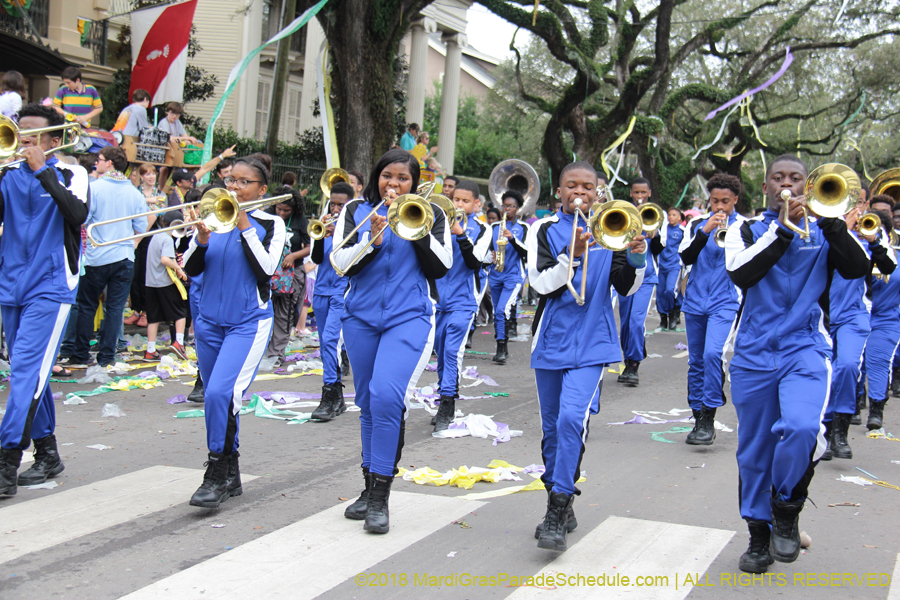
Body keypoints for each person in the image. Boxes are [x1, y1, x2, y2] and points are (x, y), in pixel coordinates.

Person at [724, 154, 870, 573]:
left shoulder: (826, 229)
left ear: (809, 186)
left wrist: (831, 222)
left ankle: (786, 509)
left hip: (805, 348)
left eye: (796, 178)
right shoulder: (746, 228)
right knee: (754, 451)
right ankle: (758, 534)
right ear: (766, 185)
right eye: (777, 178)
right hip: (753, 353)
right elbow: (742, 274)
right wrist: (784, 232)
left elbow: (859, 267)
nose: (786, 184)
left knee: (804, 428)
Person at [527, 161, 647, 551]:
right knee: (551, 431)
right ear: (558, 191)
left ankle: (557, 509)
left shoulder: (610, 227)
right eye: (571, 185)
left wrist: (637, 258)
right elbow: (541, 285)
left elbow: (626, 289)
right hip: (550, 342)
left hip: (593, 342)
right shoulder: (542, 230)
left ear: (598, 192)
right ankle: (559, 492)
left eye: (588, 187)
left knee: (570, 420)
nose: (579, 192)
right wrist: (572, 256)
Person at [333, 149, 451, 533]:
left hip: (410, 318)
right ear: (376, 177)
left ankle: (381, 495)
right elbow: (339, 262)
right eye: (387, 176)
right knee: (368, 402)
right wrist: (373, 238)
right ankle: (368, 487)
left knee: (387, 396)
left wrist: (413, 230)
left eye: (403, 178)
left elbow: (441, 266)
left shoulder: (432, 214)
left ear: (414, 183)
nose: (393, 184)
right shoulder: (355, 211)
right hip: (360, 318)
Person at [183, 153, 285, 508]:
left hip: (247, 322)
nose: (235, 187)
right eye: (231, 180)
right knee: (218, 397)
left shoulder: (270, 223)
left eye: (244, 182)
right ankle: (231, 469)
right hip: (209, 321)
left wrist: (244, 225)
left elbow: (267, 268)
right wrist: (201, 239)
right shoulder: (214, 216)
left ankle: (215, 472)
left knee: (219, 396)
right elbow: (190, 269)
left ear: (261, 189)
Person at [0, 103, 89, 496]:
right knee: (28, 373)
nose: (23, 140)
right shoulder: (6, 174)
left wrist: (42, 170)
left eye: (33, 135)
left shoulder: (73, 172)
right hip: (9, 284)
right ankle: (48, 454)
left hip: (50, 287)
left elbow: (77, 214)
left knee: (25, 374)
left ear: (55, 140)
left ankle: (6, 458)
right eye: (21, 132)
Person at [678, 174, 746, 445]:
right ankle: (698, 417)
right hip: (694, 300)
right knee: (695, 361)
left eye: (726, 202)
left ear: (735, 200)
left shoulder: (744, 227)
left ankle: (709, 416)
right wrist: (704, 231)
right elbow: (685, 257)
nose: (720, 207)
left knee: (712, 354)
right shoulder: (696, 223)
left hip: (726, 301)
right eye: (715, 201)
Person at [67, 147, 148, 368]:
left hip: (97, 256)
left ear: (110, 163)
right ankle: (106, 357)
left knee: (86, 306)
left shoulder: (95, 188)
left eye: (100, 160)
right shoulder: (135, 193)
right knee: (115, 309)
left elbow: (84, 218)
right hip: (124, 256)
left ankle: (81, 355)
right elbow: (141, 226)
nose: (96, 164)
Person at [432, 179, 491, 431]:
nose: (458, 204)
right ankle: (443, 397)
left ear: (476, 204)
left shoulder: (482, 228)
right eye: (456, 199)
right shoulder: (437, 222)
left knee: (452, 352)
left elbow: (474, 262)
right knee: (439, 352)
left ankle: (448, 402)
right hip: (436, 300)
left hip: (463, 300)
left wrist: (460, 233)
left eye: (465, 201)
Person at [309, 182, 352, 421]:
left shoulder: (354, 230)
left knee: (330, 341)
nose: (335, 208)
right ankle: (336, 397)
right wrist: (319, 237)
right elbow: (316, 258)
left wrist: (339, 233)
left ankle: (329, 395)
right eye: (332, 203)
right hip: (321, 290)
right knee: (324, 343)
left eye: (340, 205)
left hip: (341, 291)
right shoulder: (324, 227)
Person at [861, 196, 900, 434]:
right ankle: (852, 407)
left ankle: (876, 410)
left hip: (886, 320)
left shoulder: (895, 255)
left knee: (877, 361)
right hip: (856, 316)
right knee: (853, 365)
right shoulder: (855, 253)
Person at [617, 177, 657, 386]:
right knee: (625, 323)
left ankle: (634, 366)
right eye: (636, 193)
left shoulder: (658, 214)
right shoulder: (625, 212)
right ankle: (628, 360)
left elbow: (661, 247)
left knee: (635, 321)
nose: (640, 196)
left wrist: (655, 234)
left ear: (649, 193)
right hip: (627, 272)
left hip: (647, 276)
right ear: (631, 193)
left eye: (643, 193)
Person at [265, 185, 310, 365]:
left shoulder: (300, 221)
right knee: (265, 310)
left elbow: (308, 248)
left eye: (286, 210)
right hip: (269, 270)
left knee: (285, 313)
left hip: (291, 273)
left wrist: (292, 256)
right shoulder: (268, 217)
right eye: (279, 209)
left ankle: (276, 353)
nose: (282, 213)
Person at [488, 191, 529, 365]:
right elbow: (488, 248)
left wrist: (512, 238)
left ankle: (502, 348)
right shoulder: (494, 227)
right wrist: (491, 255)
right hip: (496, 273)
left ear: (518, 208)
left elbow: (526, 252)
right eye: (505, 205)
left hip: (513, 275)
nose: (507, 209)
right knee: (496, 311)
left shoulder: (524, 228)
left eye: (511, 206)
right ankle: (501, 348)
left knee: (501, 310)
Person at [143, 210, 188, 361]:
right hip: (165, 282)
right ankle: (179, 342)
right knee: (180, 313)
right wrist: (179, 269)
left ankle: (150, 350)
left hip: (150, 283)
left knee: (153, 318)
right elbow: (165, 259)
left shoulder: (155, 236)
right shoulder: (167, 239)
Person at [655, 207, 685, 330]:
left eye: (674, 215)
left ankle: (673, 314)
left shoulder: (682, 231)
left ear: (679, 217)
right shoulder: (662, 229)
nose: (671, 217)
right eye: (670, 215)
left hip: (674, 265)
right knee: (660, 292)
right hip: (661, 265)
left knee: (670, 290)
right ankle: (663, 319)